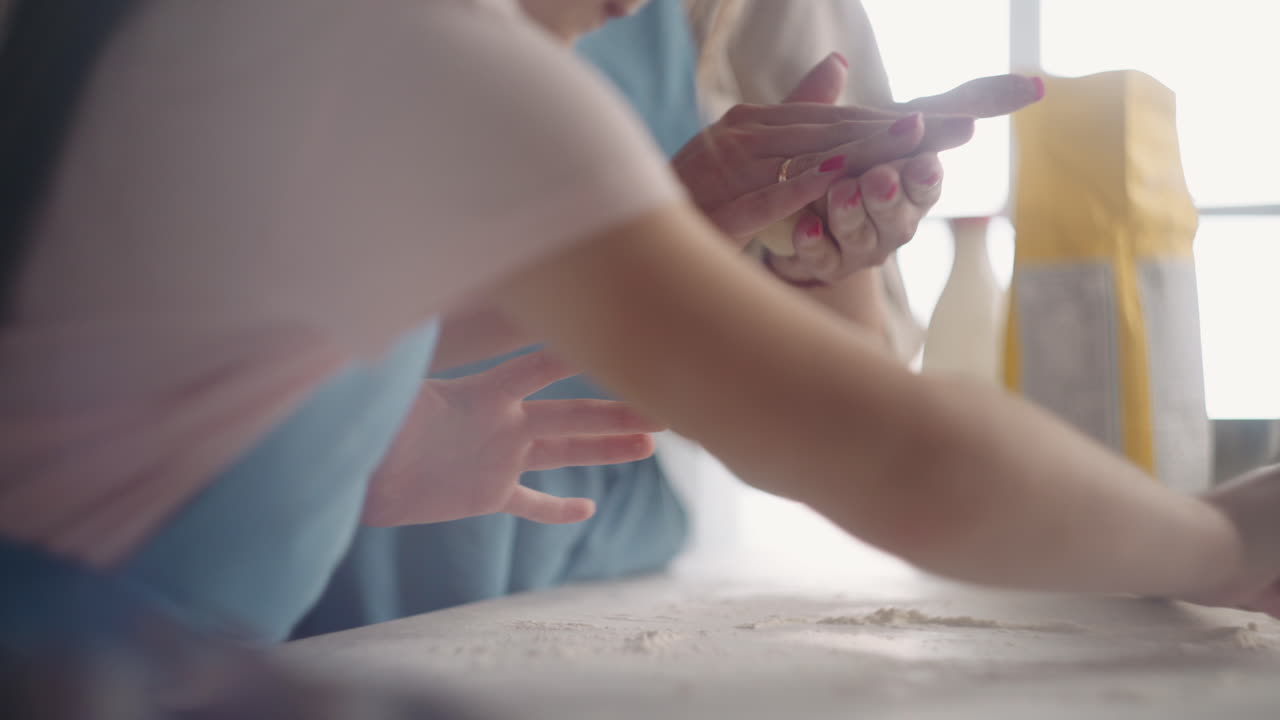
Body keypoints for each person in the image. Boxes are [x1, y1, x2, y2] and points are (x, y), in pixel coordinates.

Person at [3, 0, 1278, 667]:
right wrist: (1217, 542)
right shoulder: (419, 54)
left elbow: (199, 338)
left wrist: (348, 445)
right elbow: (897, 460)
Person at [295, 0, 1038, 637]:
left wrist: (808, 260)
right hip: (300, 585)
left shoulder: (739, 22)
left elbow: (848, 435)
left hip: (587, 588)